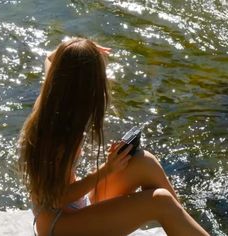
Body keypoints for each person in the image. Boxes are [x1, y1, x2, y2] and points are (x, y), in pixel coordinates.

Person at [18, 37, 209, 236]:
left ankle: (183, 226)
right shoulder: (56, 134)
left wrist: (78, 46)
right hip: (58, 225)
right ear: (85, 87)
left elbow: (49, 58)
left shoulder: (53, 97)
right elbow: (56, 198)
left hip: (77, 208)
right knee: (160, 201)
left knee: (144, 161)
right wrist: (107, 169)